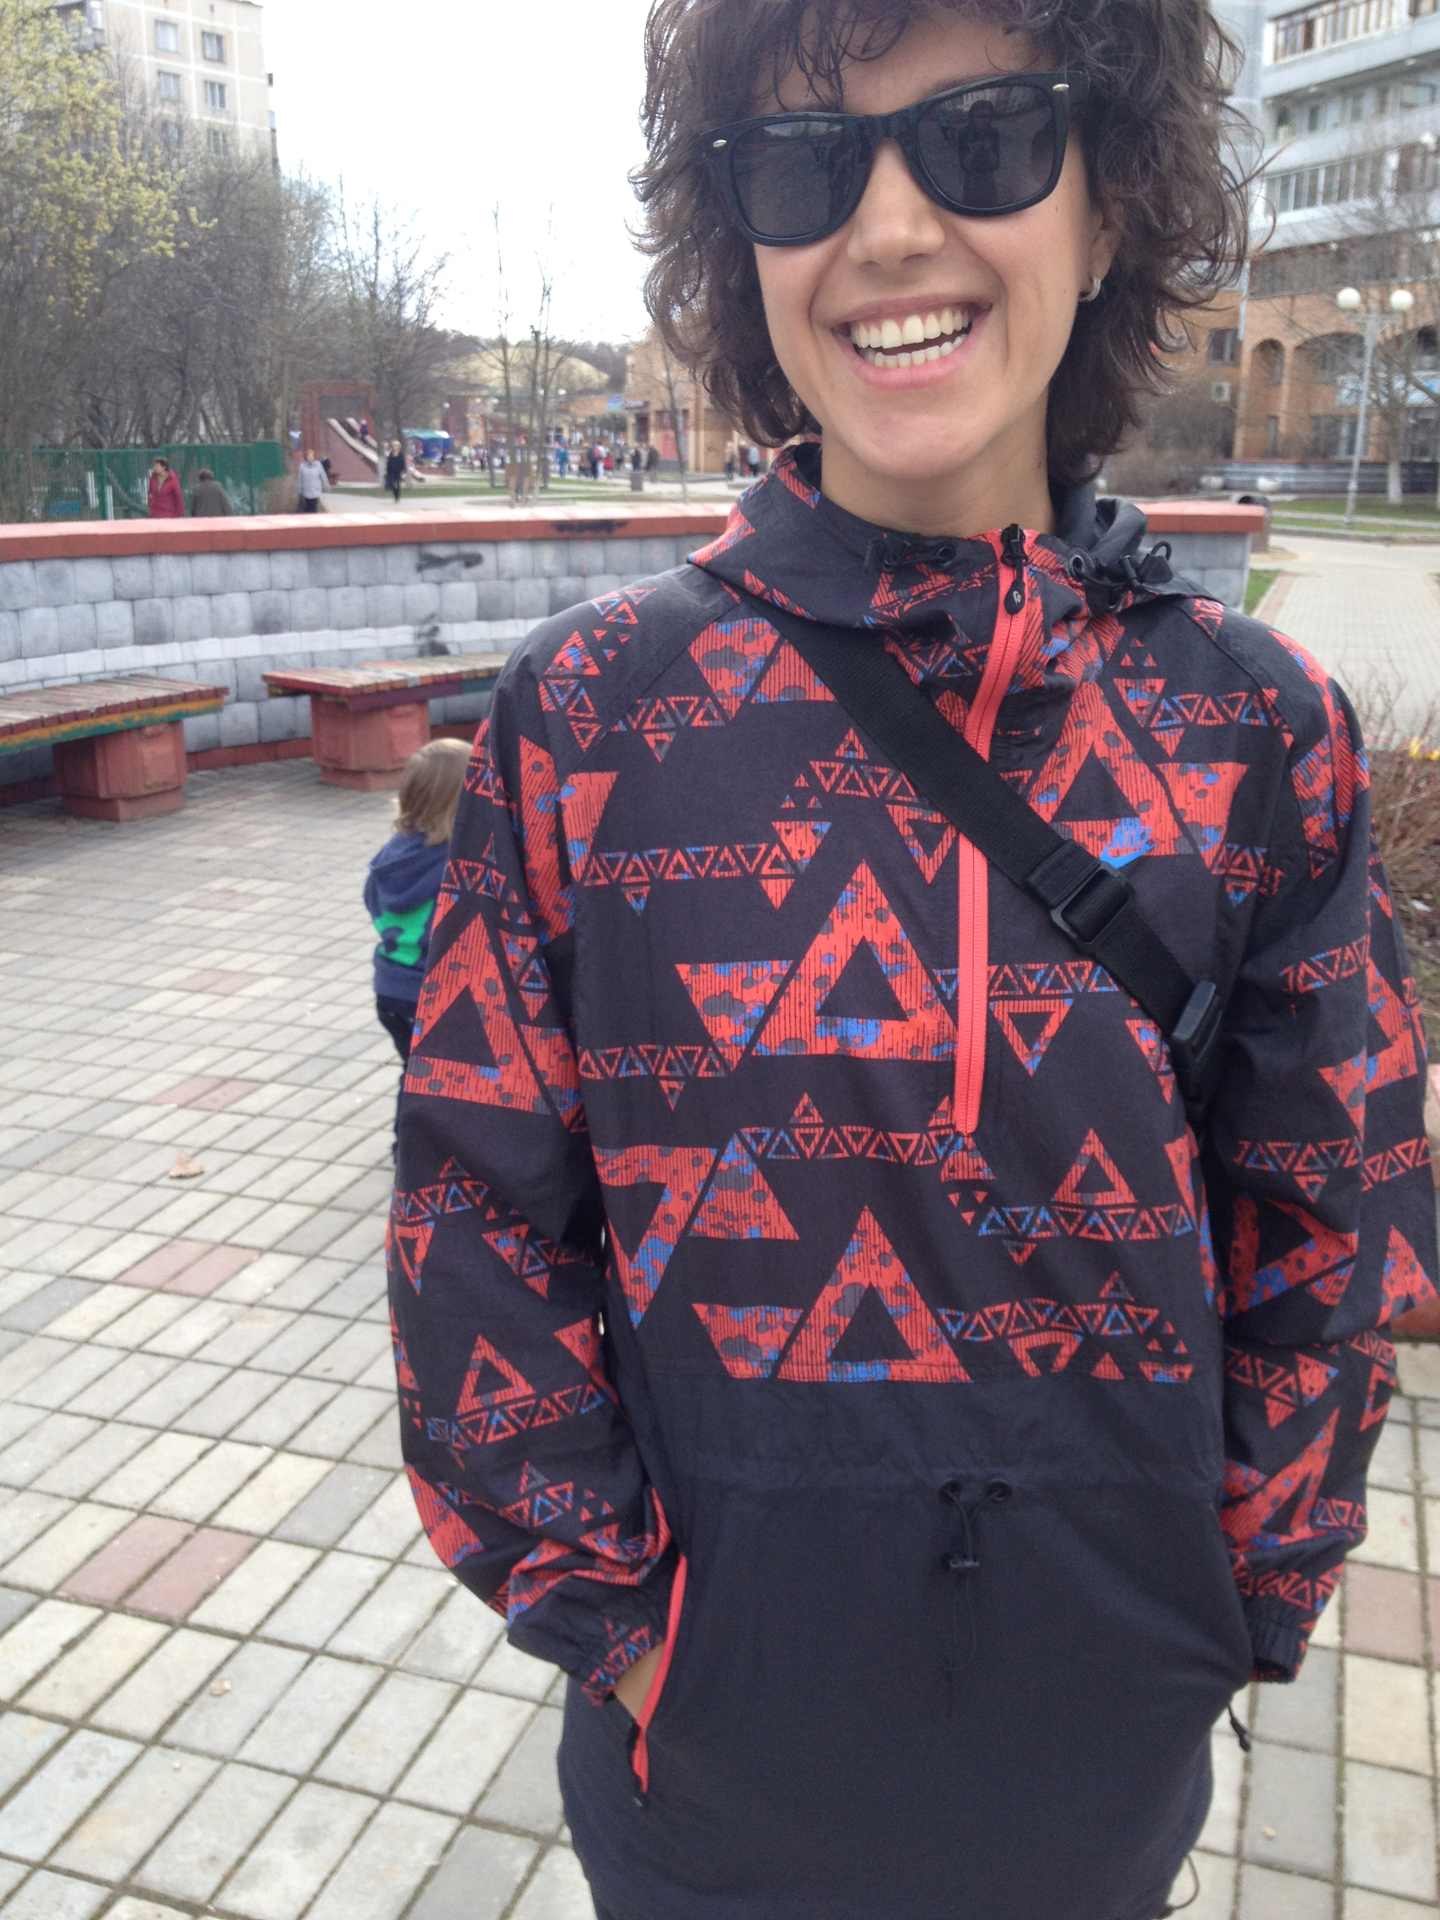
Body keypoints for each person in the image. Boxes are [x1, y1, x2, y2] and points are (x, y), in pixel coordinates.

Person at [387, 6, 1439, 1918]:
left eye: (984, 137)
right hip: (710, 1776)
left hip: (1098, 1759)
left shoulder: (1252, 730)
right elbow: (477, 1224)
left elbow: (1334, 1217)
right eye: (803, 163)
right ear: (742, 245)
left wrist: (1231, 1603)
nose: (887, 228)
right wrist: (625, 1632)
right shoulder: (590, 719)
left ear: (1107, 206)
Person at [364, 739, 471, 1152]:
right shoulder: (450, 864)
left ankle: (404, 1147)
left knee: (413, 1071)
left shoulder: (391, 855)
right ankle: (428, 1153)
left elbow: (373, 903)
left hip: (389, 990)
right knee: (444, 1078)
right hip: (431, 995)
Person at [296, 448, 327, 513]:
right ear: (306, 457)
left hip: (315, 490)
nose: (310, 457)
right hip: (306, 490)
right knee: (307, 507)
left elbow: (323, 475)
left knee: (314, 507)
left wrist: (326, 485)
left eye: (311, 456)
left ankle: (313, 517)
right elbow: (300, 478)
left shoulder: (318, 465)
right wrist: (299, 489)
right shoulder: (302, 466)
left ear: (313, 457)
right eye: (309, 456)